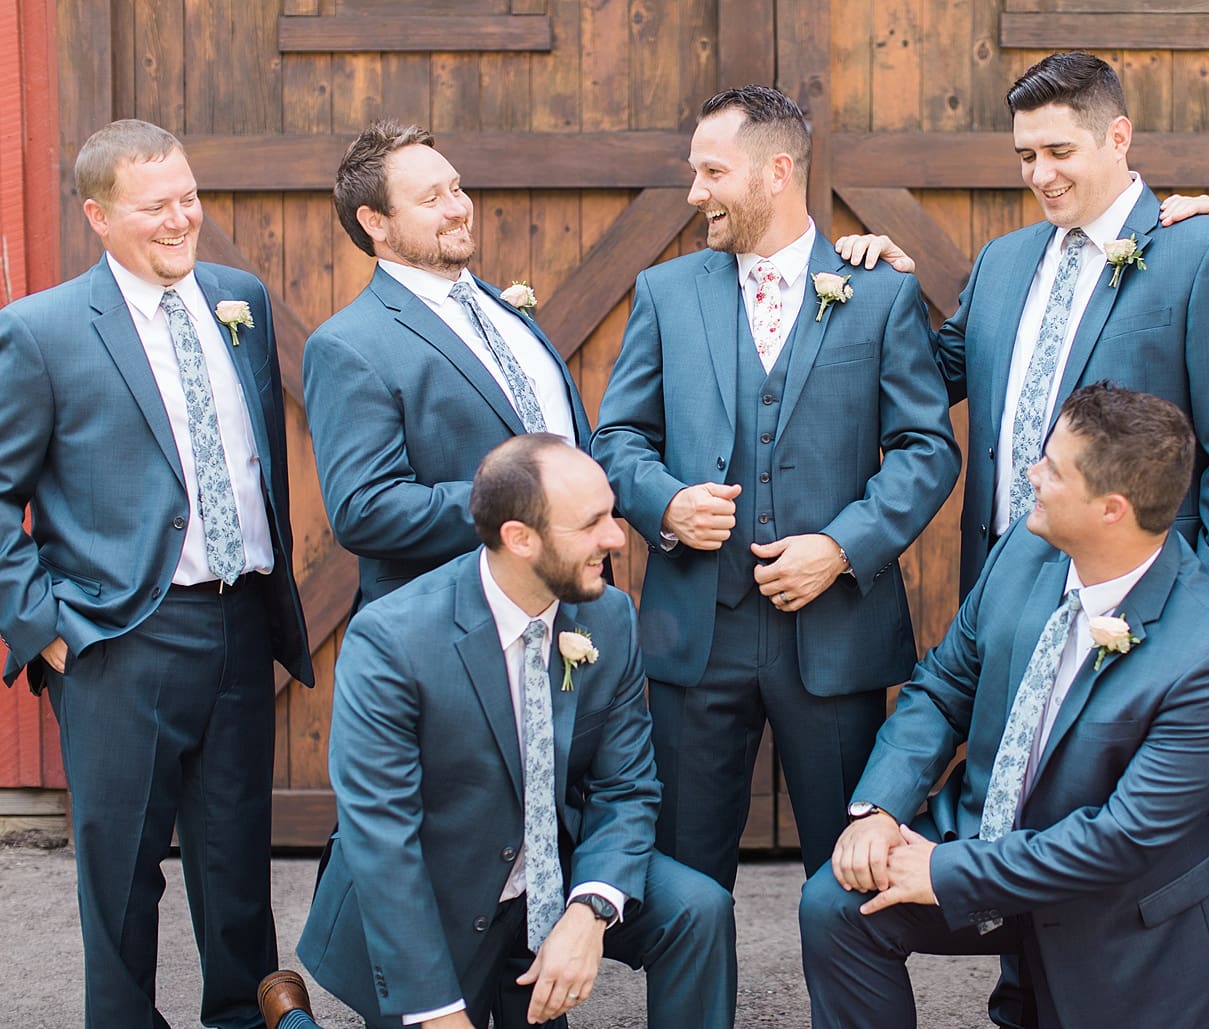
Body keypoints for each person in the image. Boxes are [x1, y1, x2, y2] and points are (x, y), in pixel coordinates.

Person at [799, 383, 1209, 1029]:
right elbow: (942, 686)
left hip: (1116, 910)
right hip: (984, 834)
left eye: (1052, 467)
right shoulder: (1026, 546)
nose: (1029, 474)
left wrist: (947, 867)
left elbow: (1120, 839)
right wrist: (880, 808)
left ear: (1111, 509)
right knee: (835, 902)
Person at [591, 85, 959, 892]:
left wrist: (839, 546)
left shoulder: (878, 292)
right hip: (695, 633)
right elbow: (615, 438)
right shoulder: (666, 291)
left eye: (711, 172)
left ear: (777, 171)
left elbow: (926, 449)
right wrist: (663, 504)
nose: (695, 194)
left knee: (854, 879)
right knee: (682, 882)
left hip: (834, 635)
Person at [0, 119, 313, 1028]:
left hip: (240, 621)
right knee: (123, 876)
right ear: (98, 216)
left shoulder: (240, 300)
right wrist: (47, 629)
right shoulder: (41, 330)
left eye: (188, 197)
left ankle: (241, 1017)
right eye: (155, 207)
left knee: (237, 865)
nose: (182, 221)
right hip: (117, 639)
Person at [297, 434, 735, 1029]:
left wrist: (591, 909)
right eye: (591, 524)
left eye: (612, 514)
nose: (616, 538)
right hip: (437, 904)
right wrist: (435, 1011)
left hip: (554, 870)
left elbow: (626, 789)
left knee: (697, 908)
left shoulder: (610, 616)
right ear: (519, 538)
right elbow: (382, 837)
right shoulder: (392, 640)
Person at [839, 51, 1209, 607]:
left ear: (1118, 137)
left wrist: (1206, 607)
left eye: (1059, 151)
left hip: (1136, 587)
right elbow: (930, 379)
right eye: (1026, 155)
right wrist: (887, 293)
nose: (1040, 175)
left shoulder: (1202, 252)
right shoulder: (1002, 260)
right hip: (995, 580)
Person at [304, 120, 590, 607]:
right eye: (431, 199)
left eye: (456, 188)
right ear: (376, 222)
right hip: (453, 617)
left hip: (573, 604)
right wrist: (525, 505)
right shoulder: (347, 344)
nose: (458, 209)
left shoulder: (504, 307)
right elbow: (366, 509)